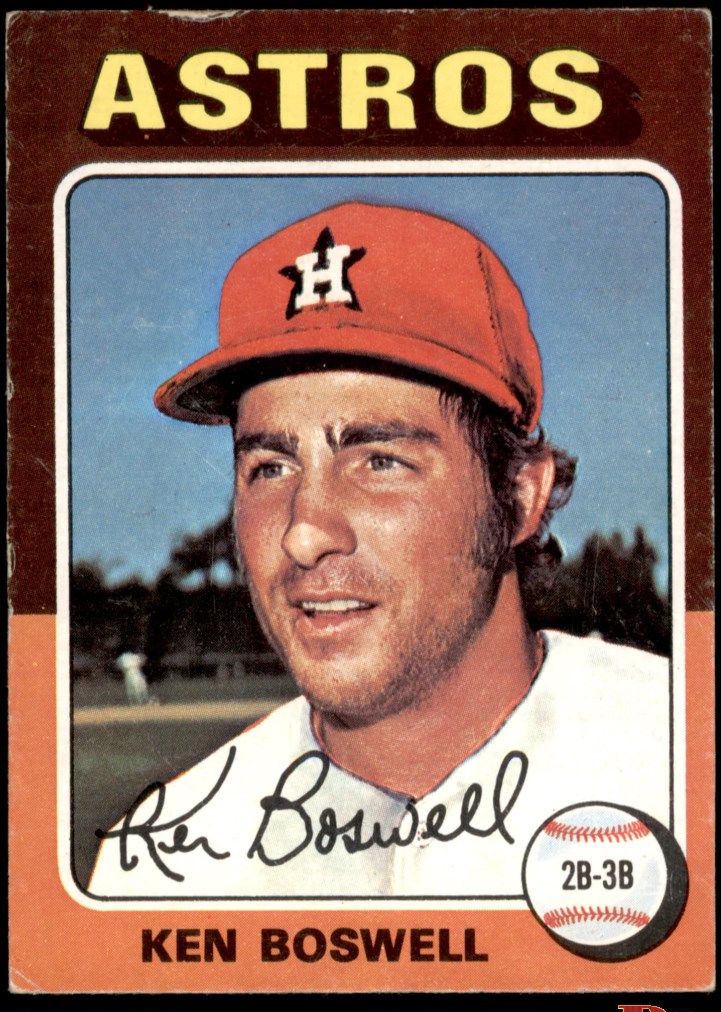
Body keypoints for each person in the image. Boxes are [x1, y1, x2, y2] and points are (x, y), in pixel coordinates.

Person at [89, 201, 670, 898]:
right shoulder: (161, 863)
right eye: (270, 468)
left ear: (519, 497)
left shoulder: (686, 759)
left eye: (380, 462)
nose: (304, 533)